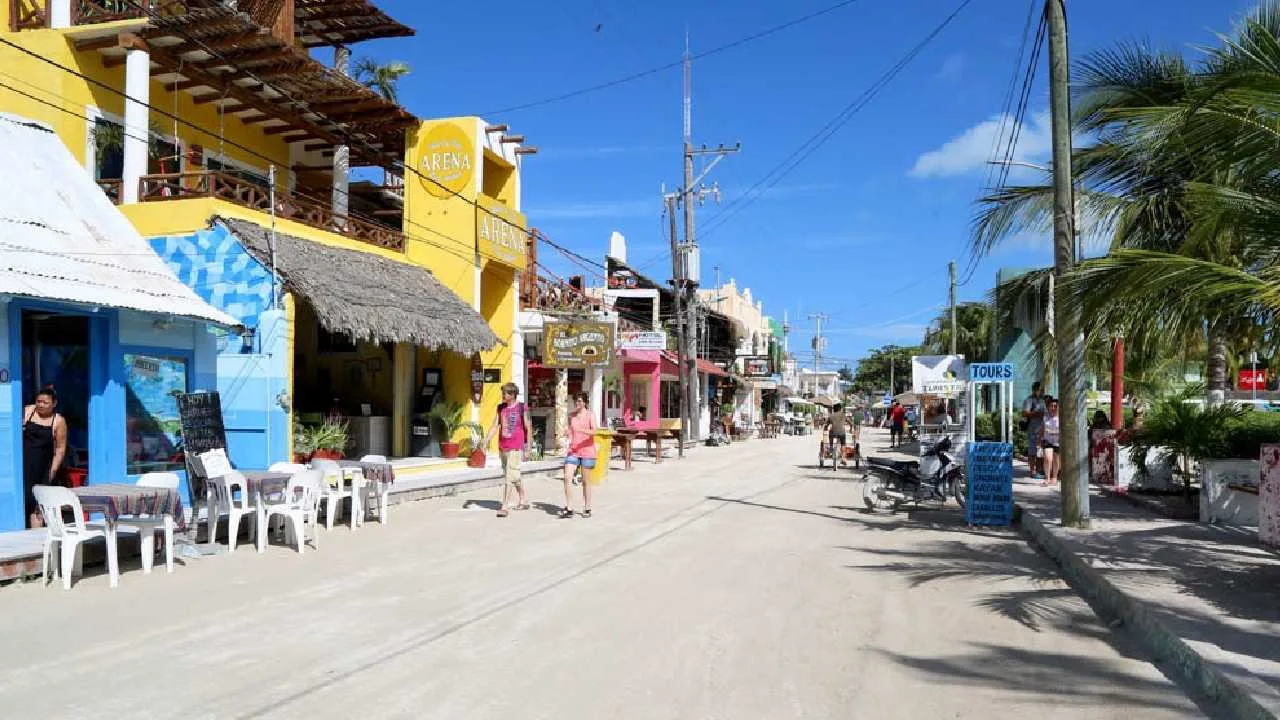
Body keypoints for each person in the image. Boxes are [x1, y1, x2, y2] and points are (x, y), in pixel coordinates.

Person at [481, 382, 532, 518]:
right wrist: (486, 440)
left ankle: (504, 505)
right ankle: (522, 497)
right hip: (503, 446)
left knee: (510, 476)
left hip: (516, 446)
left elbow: (528, 428)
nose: (503, 395)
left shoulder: (522, 408)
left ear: (513, 394)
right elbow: (495, 425)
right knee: (512, 474)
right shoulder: (501, 408)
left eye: (506, 393)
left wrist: (528, 448)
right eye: (503, 393)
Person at [23, 386, 67, 528]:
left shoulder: (58, 421)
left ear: (54, 403)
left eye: (45, 402)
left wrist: (52, 471)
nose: (40, 405)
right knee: (24, 501)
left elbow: (60, 448)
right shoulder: (28, 411)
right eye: (38, 401)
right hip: (24, 466)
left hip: (43, 469)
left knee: (37, 507)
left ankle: (36, 542)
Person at [561, 392, 597, 519]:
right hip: (573, 450)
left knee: (586, 482)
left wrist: (581, 430)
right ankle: (569, 507)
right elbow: (570, 431)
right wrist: (567, 432)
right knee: (567, 477)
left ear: (585, 402)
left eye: (580, 401)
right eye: (576, 400)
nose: (577, 403)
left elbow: (594, 431)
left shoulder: (590, 415)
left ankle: (587, 507)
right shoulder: (571, 416)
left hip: (587, 450)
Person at [1022, 381, 1047, 479]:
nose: (1042, 392)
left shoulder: (1042, 400)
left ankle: (1039, 470)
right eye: (1040, 390)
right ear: (1035, 390)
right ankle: (1032, 471)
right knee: (1032, 451)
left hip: (1042, 429)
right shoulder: (1029, 400)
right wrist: (1037, 414)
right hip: (1033, 429)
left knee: (1040, 451)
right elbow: (1024, 413)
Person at [1041, 396, 1062, 487]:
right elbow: (1043, 429)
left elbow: (1064, 431)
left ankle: (1054, 477)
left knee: (1056, 460)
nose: (1053, 408)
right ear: (1048, 407)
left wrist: (1054, 432)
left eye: (1055, 406)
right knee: (1047, 458)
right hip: (1047, 441)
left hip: (1058, 442)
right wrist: (1039, 440)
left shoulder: (1062, 418)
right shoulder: (1045, 417)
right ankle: (1047, 478)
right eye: (1051, 406)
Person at [825, 403, 849, 471]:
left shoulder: (831, 416)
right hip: (841, 433)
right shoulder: (843, 415)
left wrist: (826, 428)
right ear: (840, 408)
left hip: (833, 433)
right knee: (843, 444)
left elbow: (826, 424)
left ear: (834, 409)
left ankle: (831, 448)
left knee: (830, 432)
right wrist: (851, 427)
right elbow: (850, 422)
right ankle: (843, 458)